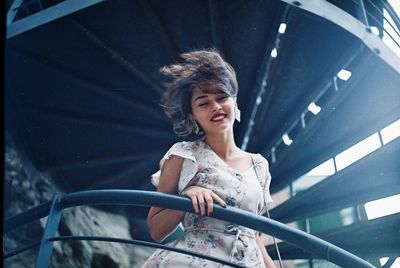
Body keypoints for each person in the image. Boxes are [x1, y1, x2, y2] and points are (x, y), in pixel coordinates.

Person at [142, 49, 276, 268]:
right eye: (204, 103)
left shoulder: (259, 165)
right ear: (192, 116)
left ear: (234, 102)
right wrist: (186, 198)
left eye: (222, 97)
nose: (215, 106)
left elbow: (254, 236)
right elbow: (156, 231)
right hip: (196, 261)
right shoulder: (183, 155)